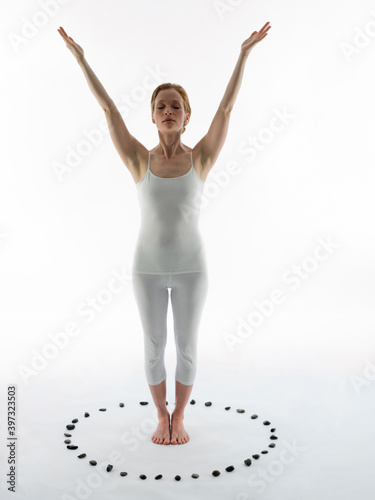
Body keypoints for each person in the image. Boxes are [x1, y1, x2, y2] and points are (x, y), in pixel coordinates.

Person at [57, 21, 271, 446]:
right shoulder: (139, 160)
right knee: (154, 347)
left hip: (193, 268)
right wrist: (81, 59)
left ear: (187, 117)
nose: (169, 112)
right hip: (148, 269)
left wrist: (243, 54)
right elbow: (109, 111)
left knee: (187, 347)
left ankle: (181, 416)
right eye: (162, 107)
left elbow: (226, 110)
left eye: (176, 106)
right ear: (153, 117)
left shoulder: (202, 157)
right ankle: (161, 416)